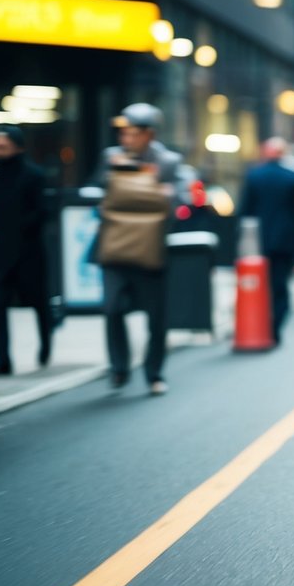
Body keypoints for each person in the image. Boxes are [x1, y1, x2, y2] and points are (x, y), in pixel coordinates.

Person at [94, 103, 183, 396]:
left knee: (156, 317)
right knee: (111, 309)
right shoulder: (111, 158)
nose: (125, 138)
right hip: (115, 247)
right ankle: (119, 368)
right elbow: (97, 190)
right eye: (122, 132)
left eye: (131, 132)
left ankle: (154, 373)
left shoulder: (167, 162)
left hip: (149, 251)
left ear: (149, 134)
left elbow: (176, 201)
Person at [0, 126, 53, 376]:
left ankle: (46, 343)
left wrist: (12, 228)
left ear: (18, 147)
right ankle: (2, 359)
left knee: (38, 302)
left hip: (28, 252)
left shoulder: (34, 176)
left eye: (3, 147)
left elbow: (41, 212)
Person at [239, 137, 294, 345]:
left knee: (263, 283)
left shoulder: (254, 176)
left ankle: (265, 323)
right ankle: (275, 324)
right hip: (287, 238)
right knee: (281, 283)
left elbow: (245, 210)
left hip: (259, 238)